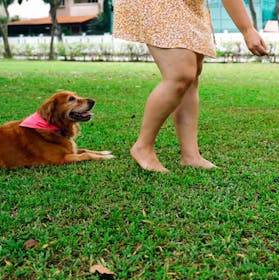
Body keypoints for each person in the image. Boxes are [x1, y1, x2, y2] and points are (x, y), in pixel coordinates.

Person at [114, 0, 268, 172]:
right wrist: (247, 29)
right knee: (180, 74)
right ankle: (143, 147)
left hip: (190, 5)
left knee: (191, 76)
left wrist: (247, 29)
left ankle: (191, 155)